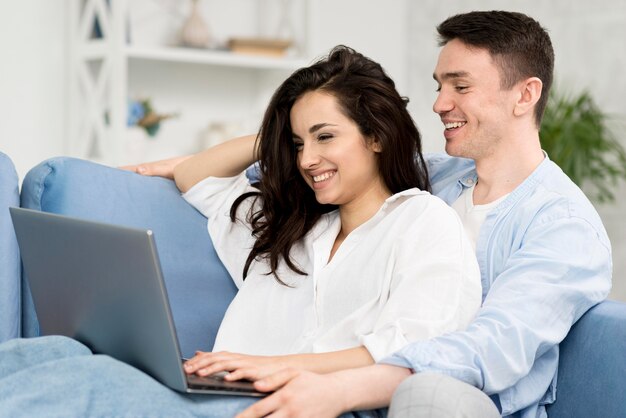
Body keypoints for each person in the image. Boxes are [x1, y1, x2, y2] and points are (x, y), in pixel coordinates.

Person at [0, 46, 481, 417]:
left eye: (325, 136)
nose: (307, 159)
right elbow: (199, 180)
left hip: (308, 404)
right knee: (50, 352)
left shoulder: (422, 220)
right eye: (297, 143)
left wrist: (280, 366)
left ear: (376, 135)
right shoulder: (292, 231)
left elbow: (419, 348)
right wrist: (271, 137)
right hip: (226, 392)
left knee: (94, 382)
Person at [206, 10, 612, 418]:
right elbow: (303, 164)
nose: (439, 104)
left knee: (427, 395)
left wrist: (335, 387)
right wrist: (295, 131)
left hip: (465, 401)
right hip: (362, 389)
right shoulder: (438, 174)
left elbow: (489, 350)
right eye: (439, 86)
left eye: (461, 86)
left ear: (525, 95)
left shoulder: (564, 226)